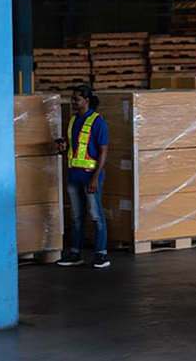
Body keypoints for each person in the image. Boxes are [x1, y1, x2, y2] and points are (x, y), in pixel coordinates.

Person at [55, 85, 111, 269]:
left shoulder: (97, 121)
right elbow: (75, 149)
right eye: (72, 99)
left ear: (86, 100)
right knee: (77, 217)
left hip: (90, 178)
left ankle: (101, 254)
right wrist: (63, 148)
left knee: (96, 216)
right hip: (74, 175)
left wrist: (95, 178)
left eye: (76, 99)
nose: (73, 102)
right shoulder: (72, 121)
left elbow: (103, 152)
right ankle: (75, 253)